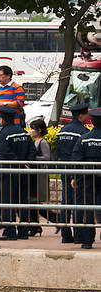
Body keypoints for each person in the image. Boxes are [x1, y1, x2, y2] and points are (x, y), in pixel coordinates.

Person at [0, 104, 34, 240]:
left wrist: (18, 164)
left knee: (7, 201)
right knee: (22, 201)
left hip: (9, 172)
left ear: (2, 119)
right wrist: (26, 163)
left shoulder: (3, 133)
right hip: (23, 173)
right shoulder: (23, 132)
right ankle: (23, 230)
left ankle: (10, 231)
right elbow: (32, 150)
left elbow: (4, 152)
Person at [55, 104, 90, 243]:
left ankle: (65, 234)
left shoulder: (62, 131)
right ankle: (78, 235)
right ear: (81, 115)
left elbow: (57, 149)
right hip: (77, 171)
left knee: (66, 202)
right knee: (78, 202)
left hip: (64, 169)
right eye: (86, 115)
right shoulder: (83, 132)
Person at [71, 108, 101, 249]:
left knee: (87, 207)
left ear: (92, 121)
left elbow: (77, 160)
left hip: (87, 178)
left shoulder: (84, 139)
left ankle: (87, 240)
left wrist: (74, 177)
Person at [26, 117, 52, 236]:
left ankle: (55, 219)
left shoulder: (42, 142)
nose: (30, 131)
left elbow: (47, 158)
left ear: (39, 130)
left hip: (39, 174)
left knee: (34, 201)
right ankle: (35, 226)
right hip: (34, 173)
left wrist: (33, 159)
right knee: (32, 201)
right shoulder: (35, 142)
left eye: (32, 129)